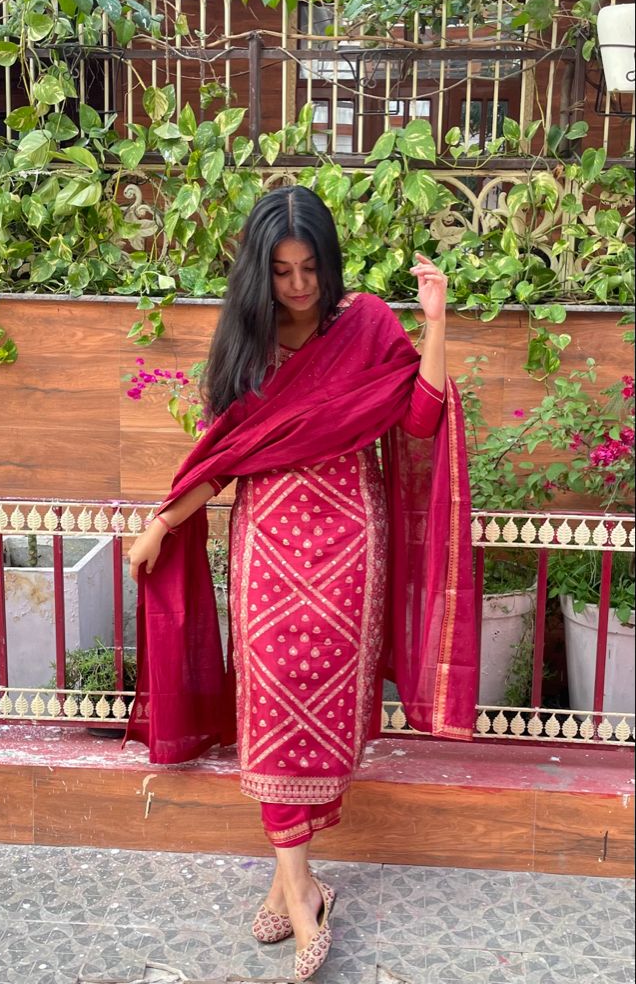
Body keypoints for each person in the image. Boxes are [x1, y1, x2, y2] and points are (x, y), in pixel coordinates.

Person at [125, 184, 477, 981]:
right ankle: (301, 883)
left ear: (328, 262)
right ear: (260, 272)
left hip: (350, 542)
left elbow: (421, 420)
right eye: (281, 271)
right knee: (272, 704)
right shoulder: (246, 347)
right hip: (268, 548)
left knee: (317, 711)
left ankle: (293, 881)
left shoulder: (367, 330)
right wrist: (161, 523)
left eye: (308, 268)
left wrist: (435, 324)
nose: (296, 286)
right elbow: (220, 460)